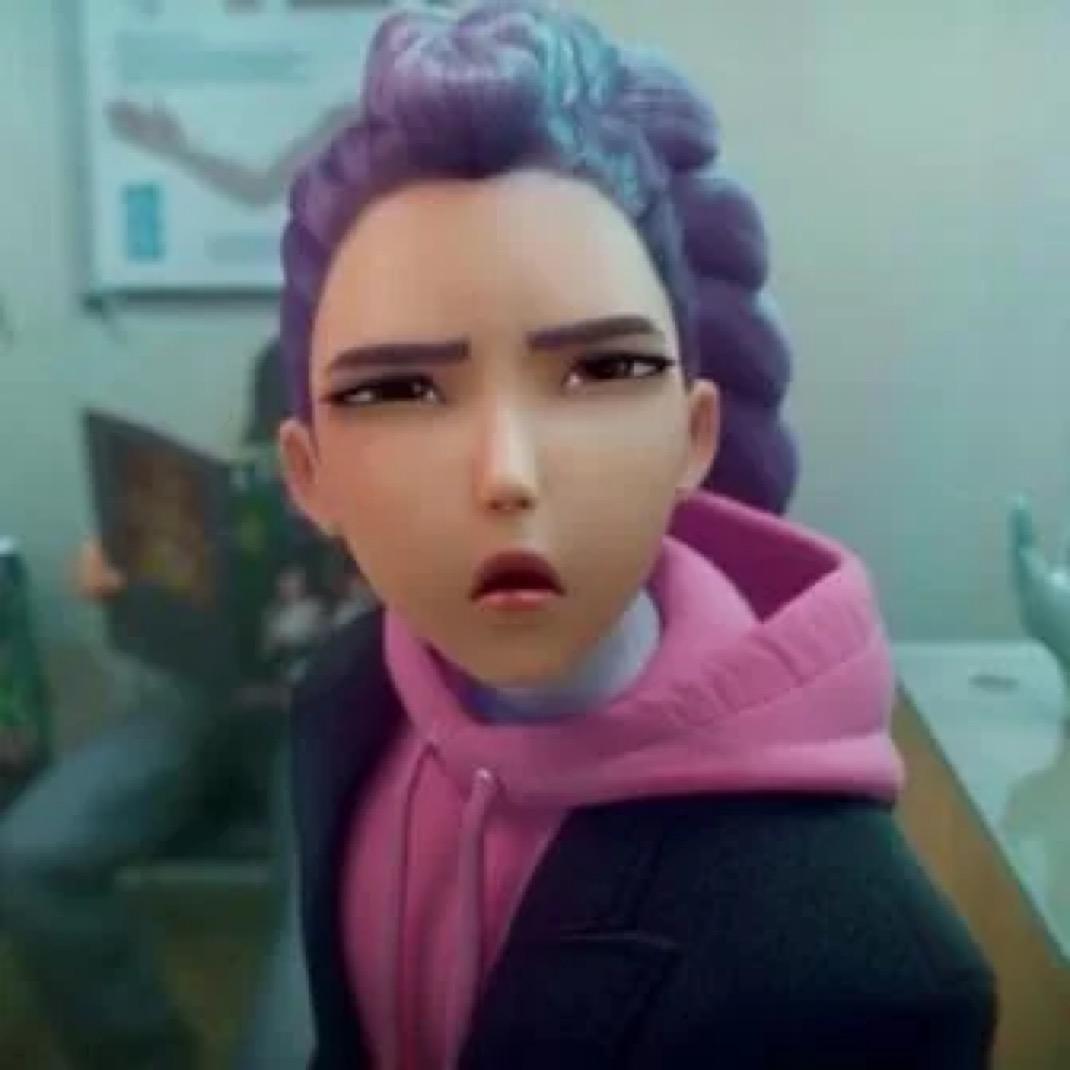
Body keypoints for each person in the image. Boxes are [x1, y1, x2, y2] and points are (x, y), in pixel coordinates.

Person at [275, 2, 997, 1066]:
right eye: (397, 390)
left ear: (693, 432)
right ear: (310, 473)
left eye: (602, 371)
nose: (507, 475)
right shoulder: (345, 700)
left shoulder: (864, 975)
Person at [0, 340, 349, 1070]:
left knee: (313, 925)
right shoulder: (277, 376)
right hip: (206, 698)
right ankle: (144, 1052)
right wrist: (126, 582)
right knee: (29, 856)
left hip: (330, 718)